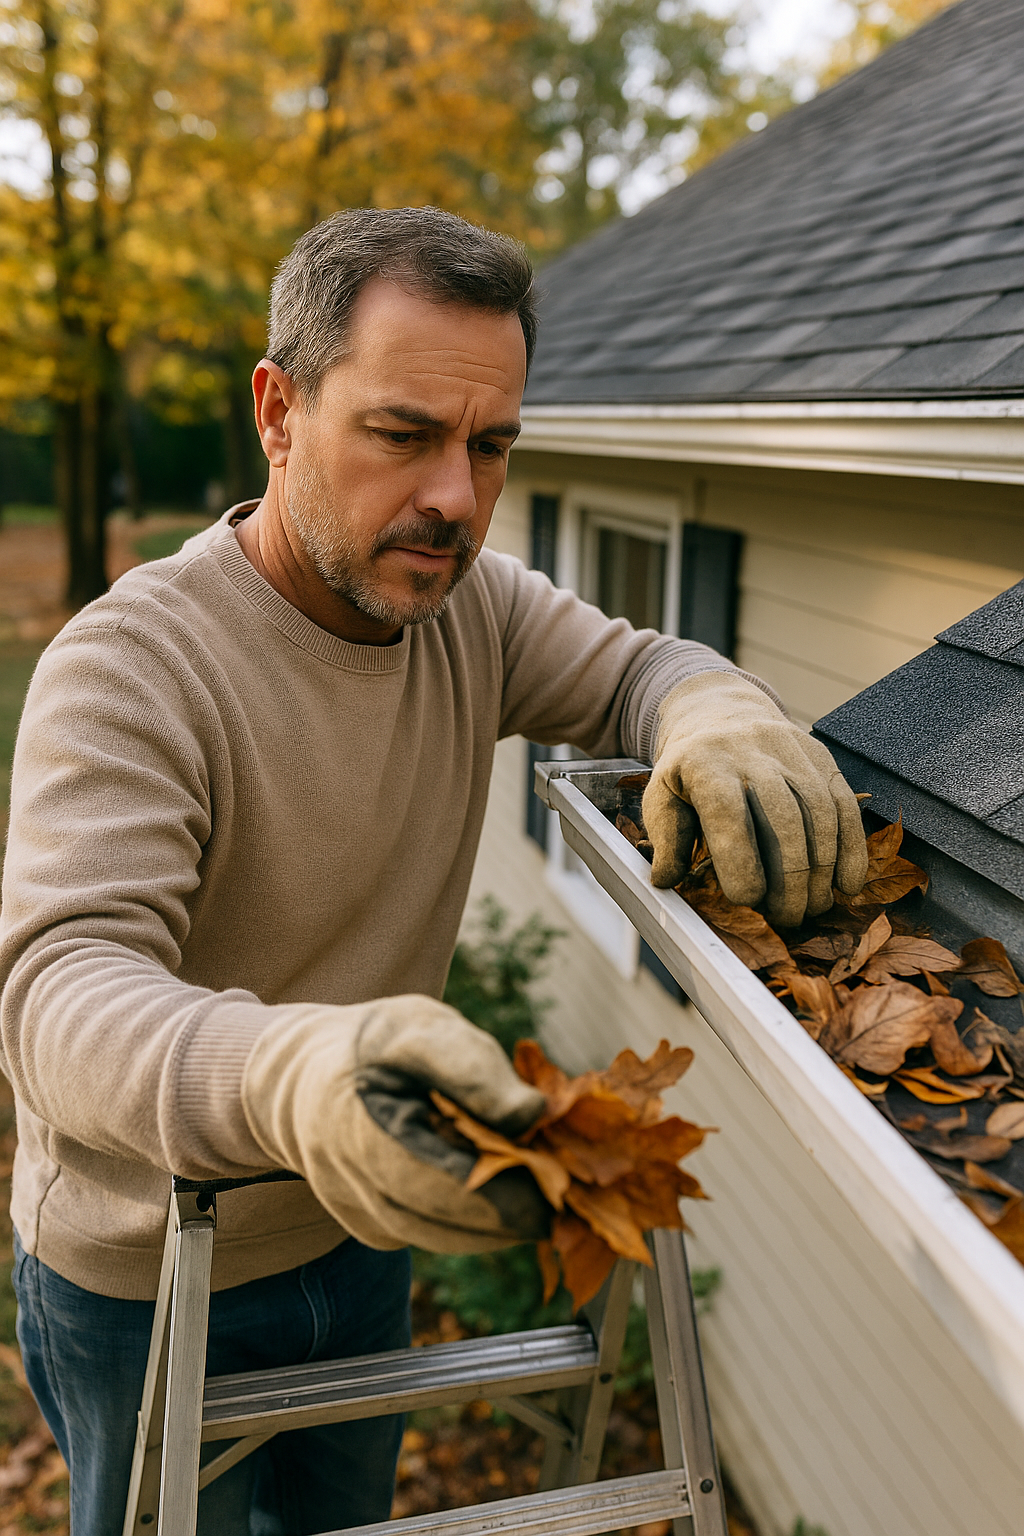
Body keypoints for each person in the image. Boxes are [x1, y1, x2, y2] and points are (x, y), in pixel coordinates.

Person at [0, 206, 867, 1534]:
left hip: (364, 1224)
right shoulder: (131, 667)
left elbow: (644, 666)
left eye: (492, 445)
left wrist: (714, 708)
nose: (457, 497)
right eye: (403, 435)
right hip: (146, 1268)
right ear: (280, 413)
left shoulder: (473, 608)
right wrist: (294, 1077)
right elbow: (59, 993)